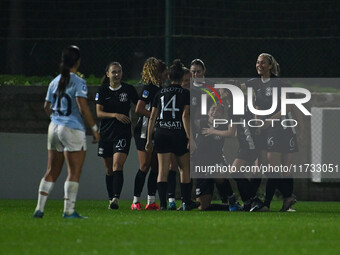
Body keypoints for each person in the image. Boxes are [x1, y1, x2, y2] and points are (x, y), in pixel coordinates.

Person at [33, 45, 100, 219]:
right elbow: (82, 106)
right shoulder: (78, 82)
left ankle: (39, 209)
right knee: (74, 171)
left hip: (53, 128)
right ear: (78, 62)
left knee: (51, 170)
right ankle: (69, 211)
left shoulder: (54, 81)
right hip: (71, 128)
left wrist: (57, 118)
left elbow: (46, 107)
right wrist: (94, 128)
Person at [246, 53, 302, 211]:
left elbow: (288, 107)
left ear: (270, 66)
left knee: (277, 165)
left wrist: (269, 121)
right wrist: (257, 121)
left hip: (279, 128)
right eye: (257, 62)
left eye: (263, 63)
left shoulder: (280, 84)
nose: (259, 65)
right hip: (265, 128)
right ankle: (287, 197)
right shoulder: (255, 84)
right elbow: (256, 105)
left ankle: (267, 203)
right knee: (267, 165)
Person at [146, 59, 195, 210]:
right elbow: (185, 116)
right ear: (181, 78)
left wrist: (149, 139)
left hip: (161, 133)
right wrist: (190, 138)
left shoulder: (160, 93)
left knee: (163, 170)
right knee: (184, 168)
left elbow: (153, 117)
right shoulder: (185, 94)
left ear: (169, 77)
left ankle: (163, 204)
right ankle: (186, 202)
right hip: (178, 133)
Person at [95, 61, 138, 210]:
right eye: (113, 72)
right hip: (106, 133)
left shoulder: (128, 89)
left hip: (123, 133)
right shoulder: (102, 90)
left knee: (117, 165)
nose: (117, 74)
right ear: (107, 74)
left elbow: (139, 105)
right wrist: (115, 115)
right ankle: (110, 198)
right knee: (108, 170)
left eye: (119, 71)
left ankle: (116, 199)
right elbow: (99, 113)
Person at [131, 57, 167, 210]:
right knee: (144, 165)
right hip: (144, 131)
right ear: (156, 71)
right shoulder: (149, 88)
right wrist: (155, 117)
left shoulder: (160, 88)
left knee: (155, 167)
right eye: (163, 70)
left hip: (155, 131)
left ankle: (151, 201)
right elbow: (138, 109)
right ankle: (135, 201)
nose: (165, 74)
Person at [167, 67, 191, 210]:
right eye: (185, 80)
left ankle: (184, 200)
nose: (187, 82)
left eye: (189, 80)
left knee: (185, 168)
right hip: (178, 133)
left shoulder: (190, 94)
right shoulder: (180, 94)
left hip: (185, 133)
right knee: (173, 166)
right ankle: (172, 200)